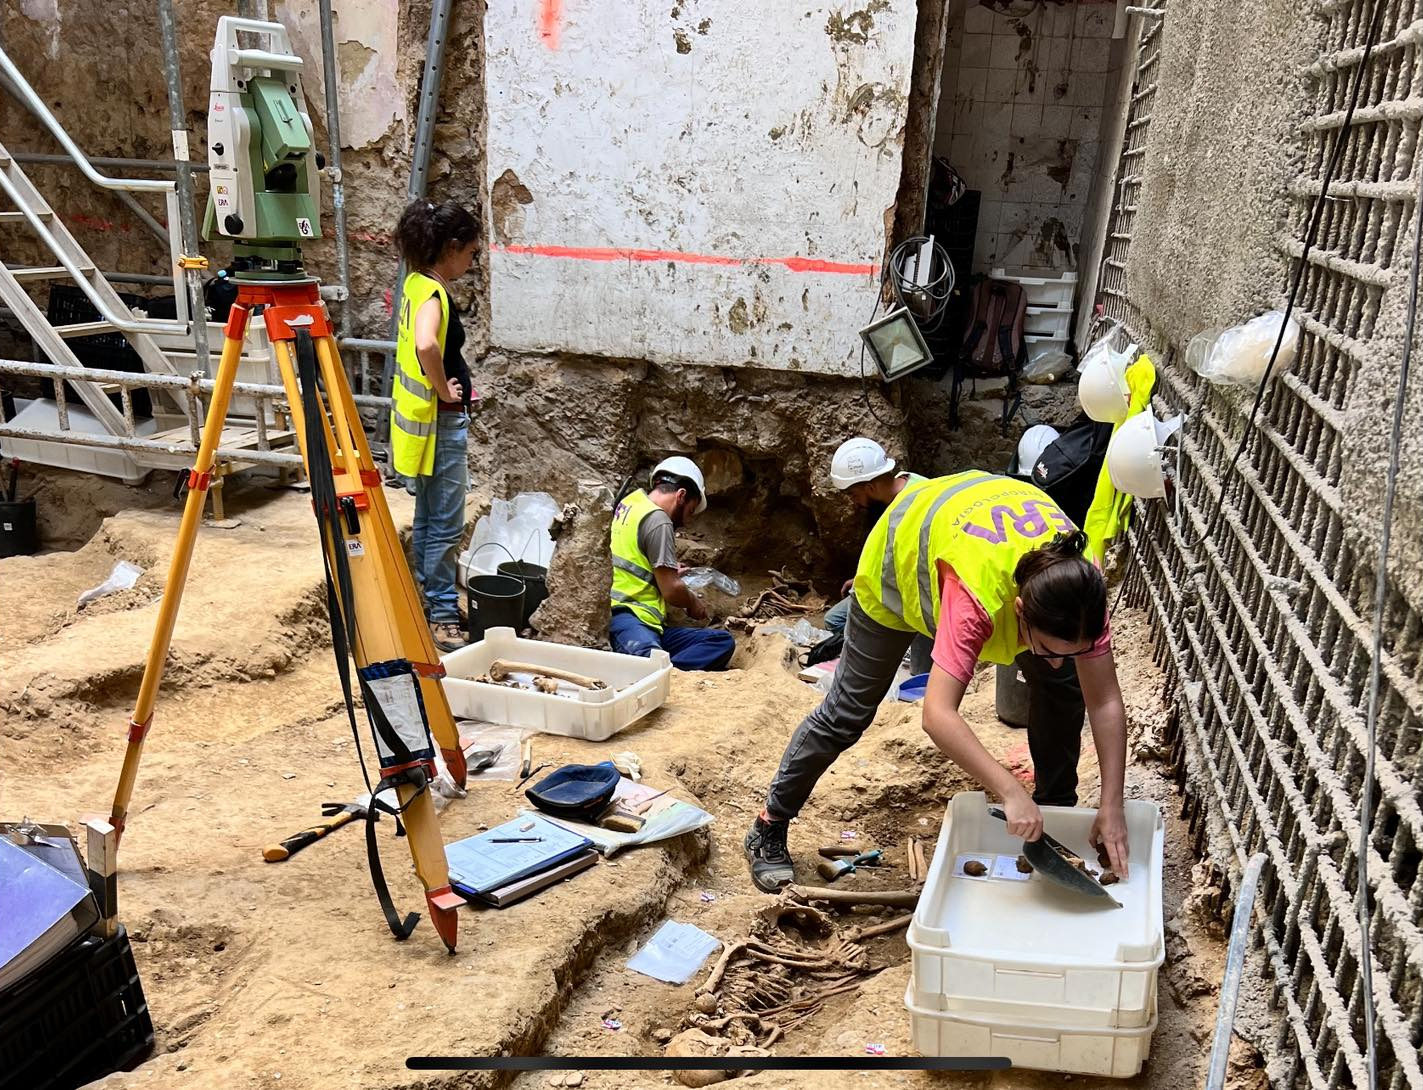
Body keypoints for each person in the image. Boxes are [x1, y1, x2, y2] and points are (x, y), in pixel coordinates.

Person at [746, 470, 1131, 893]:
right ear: (1019, 611)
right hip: (899, 567)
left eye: (1072, 651)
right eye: (1050, 649)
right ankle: (769, 824)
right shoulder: (976, 597)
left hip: (983, 538)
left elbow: (1105, 701)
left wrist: (1112, 804)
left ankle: (1054, 813)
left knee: (1062, 688)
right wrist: (1008, 791)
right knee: (847, 713)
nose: (1061, 662)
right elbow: (937, 714)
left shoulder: (1081, 594)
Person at [390, 199, 479, 652]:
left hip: (421, 425)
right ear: (453, 247)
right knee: (445, 524)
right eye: (470, 254)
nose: (470, 262)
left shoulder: (415, 282)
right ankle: (444, 615)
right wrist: (446, 390)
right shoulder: (434, 294)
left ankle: (430, 601)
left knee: (427, 518)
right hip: (440, 423)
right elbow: (427, 344)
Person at [608, 457, 737, 671]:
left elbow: (629, 554)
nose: (687, 520)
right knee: (648, 666)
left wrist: (666, 569)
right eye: (690, 510)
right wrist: (692, 602)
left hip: (643, 622)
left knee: (720, 641)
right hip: (628, 617)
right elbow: (672, 590)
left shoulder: (630, 503)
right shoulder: (659, 521)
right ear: (681, 496)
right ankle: (665, 675)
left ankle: (668, 670)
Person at [820, 439, 931, 676]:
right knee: (835, 620)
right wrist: (863, 578)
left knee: (919, 666)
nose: (854, 502)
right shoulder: (899, 486)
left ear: (870, 487)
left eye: (853, 495)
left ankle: (903, 647)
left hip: (920, 593)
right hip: (892, 586)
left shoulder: (919, 502)